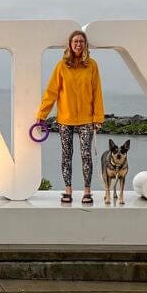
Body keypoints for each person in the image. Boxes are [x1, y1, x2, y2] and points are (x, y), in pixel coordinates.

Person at [36, 30, 104, 204]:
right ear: (70, 44)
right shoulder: (61, 66)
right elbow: (51, 92)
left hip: (86, 120)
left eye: (81, 41)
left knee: (86, 155)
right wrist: (42, 115)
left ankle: (87, 191)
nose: (78, 44)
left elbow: (97, 92)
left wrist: (98, 118)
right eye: (75, 41)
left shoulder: (92, 66)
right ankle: (68, 190)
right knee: (66, 155)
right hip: (65, 119)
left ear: (85, 45)